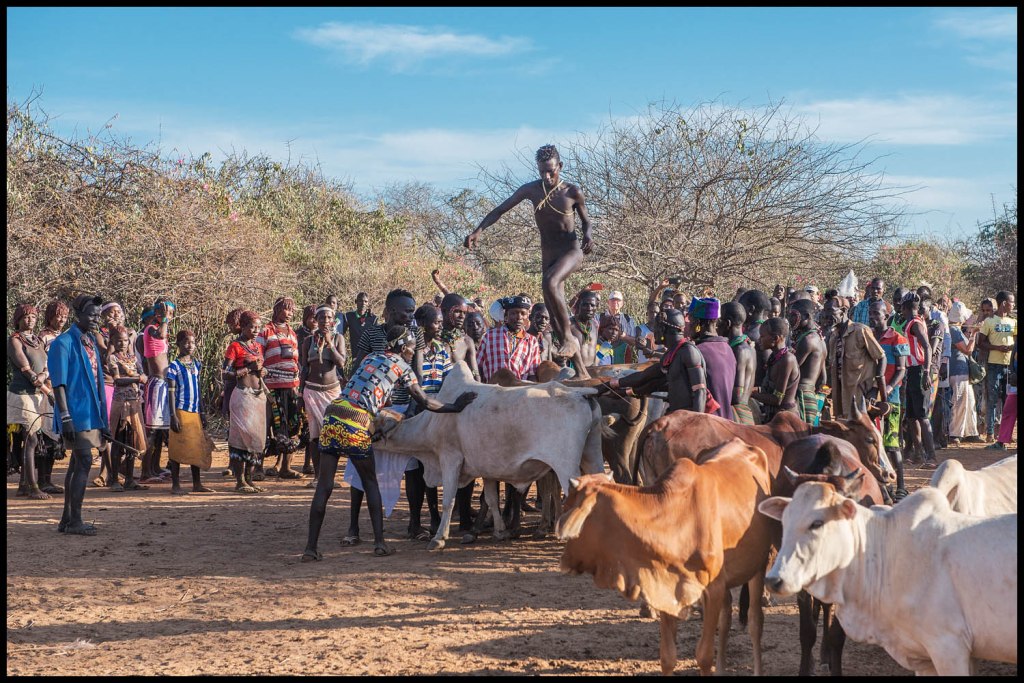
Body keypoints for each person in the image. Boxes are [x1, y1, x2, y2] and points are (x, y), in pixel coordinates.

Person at [305, 325, 477, 561]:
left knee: (324, 485)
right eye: (410, 348)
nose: (411, 352)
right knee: (370, 482)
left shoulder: (370, 356)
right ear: (402, 346)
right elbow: (424, 400)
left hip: (333, 413)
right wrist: (455, 406)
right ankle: (379, 543)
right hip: (357, 420)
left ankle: (310, 548)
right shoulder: (402, 367)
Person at [464, 144, 595, 375]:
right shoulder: (531, 190)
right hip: (549, 254)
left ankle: (568, 338)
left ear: (560, 167)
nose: (546, 176)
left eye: (551, 171)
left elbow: (586, 220)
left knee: (550, 282)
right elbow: (500, 210)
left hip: (571, 251)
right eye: (542, 171)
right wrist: (478, 230)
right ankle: (582, 371)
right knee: (553, 311)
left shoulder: (572, 191)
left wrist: (588, 235)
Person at [48, 294, 111, 535]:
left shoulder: (90, 342)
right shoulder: (63, 343)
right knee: (84, 461)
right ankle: (75, 521)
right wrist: (65, 417)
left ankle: (66, 519)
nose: (96, 319)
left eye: (98, 314)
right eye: (92, 314)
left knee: (76, 463)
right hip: (74, 414)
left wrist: (103, 420)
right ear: (79, 315)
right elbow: (59, 384)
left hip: (91, 414)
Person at [600, 309, 707, 415]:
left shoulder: (689, 352)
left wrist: (695, 423)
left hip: (691, 419)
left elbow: (700, 392)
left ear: (663, 329)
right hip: (677, 415)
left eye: (656, 327)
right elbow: (646, 378)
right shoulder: (671, 355)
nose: (653, 331)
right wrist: (616, 387)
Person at [256, 296, 304, 480]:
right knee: (266, 426)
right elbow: (258, 355)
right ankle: (258, 467)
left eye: (292, 310)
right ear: (277, 310)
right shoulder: (266, 331)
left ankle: (286, 467)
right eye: (287, 309)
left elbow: (296, 361)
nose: (290, 313)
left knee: (292, 426)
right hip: (271, 389)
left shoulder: (292, 333)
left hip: (291, 386)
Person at [7, 304, 51, 499]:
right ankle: (32, 487)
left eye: (33, 316)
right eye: (26, 316)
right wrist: (41, 383)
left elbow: (48, 366)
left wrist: (43, 378)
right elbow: (25, 368)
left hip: (37, 393)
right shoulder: (14, 340)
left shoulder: (38, 340)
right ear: (18, 319)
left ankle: (24, 485)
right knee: (31, 438)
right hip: (22, 393)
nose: (30, 319)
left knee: (33, 439)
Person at [299, 305, 346, 490]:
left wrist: (329, 344)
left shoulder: (338, 338)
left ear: (333, 320)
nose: (325, 321)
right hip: (311, 391)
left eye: (328, 318)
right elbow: (304, 368)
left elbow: (341, 362)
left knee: (333, 434)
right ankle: (318, 477)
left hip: (332, 391)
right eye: (321, 318)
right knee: (315, 435)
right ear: (316, 320)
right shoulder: (308, 341)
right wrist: (300, 394)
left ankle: (330, 477)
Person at [868, 299, 909, 500]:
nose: (873, 317)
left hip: (891, 398)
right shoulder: (867, 336)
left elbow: (902, 370)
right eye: (871, 313)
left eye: (877, 314)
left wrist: (887, 389)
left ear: (886, 315)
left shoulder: (897, 338)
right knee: (874, 443)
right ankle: (883, 488)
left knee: (892, 443)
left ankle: (901, 486)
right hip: (871, 397)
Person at [223, 310, 268, 494]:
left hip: (258, 397)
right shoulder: (235, 346)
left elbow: (260, 369)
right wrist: (248, 368)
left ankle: (249, 479)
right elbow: (225, 373)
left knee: (256, 438)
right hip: (242, 395)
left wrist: (262, 371)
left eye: (258, 327)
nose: (256, 330)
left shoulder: (257, 346)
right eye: (252, 327)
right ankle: (240, 480)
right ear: (243, 326)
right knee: (241, 438)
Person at [821, 296, 887, 420]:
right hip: (841, 396)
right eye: (825, 311)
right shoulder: (833, 336)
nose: (826, 315)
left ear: (843, 311)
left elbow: (881, 357)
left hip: (861, 395)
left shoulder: (860, 331)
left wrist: (875, 388)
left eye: (831, 311)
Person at [167, 329, 214, 495]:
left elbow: (198, 389)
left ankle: (197, 483)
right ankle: (175, 484)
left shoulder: (197, 364)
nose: (190, 346)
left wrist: (202, 412)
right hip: (180, 410)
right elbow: (171, 392)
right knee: (177, 448)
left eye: (193, 342)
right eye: (186, 342)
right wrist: (173, 415)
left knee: (196, 447)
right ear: (178, 344)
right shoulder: (174, 366)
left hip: (194, 411)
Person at [104, 325, 149, 491]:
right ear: (113, 342)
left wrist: (137, 378)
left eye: (125, 340)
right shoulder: (112, 358)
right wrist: (138, 379)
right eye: (118, 340)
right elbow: (117, 380)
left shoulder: (133, 358)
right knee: (118, 442)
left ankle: (129, 479)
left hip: (134, 402)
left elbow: (143, 375)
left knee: (132, 442)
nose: (122, 343)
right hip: (121, 403)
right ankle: (114, 479)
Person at [900, 293, 938, 469]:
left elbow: (928, 346)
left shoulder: (915, 323)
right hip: (911, 371)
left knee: (922, 416)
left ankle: (931, 456)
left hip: (919, 371)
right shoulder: (911, 323)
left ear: (905, 307)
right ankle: (918, 453)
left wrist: (926, 371)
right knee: (911, 416)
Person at [36, 300, 70, 493]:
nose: (61, 320)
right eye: (58, 316)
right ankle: (43, 481)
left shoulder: (63, 336)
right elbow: (43, 366)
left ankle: (47, 480)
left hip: (60, 390)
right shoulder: (43, 337)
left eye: (64, 316)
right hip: (47, 391)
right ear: (50, 316)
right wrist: (48, 390)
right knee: (46, 438)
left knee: (55, 436)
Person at [140, 299, 175, 483]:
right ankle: (145, 472)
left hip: (162, 384)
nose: (168, 316)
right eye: (164, 312)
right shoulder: (150, 330)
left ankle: (152, 469)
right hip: (156, 384)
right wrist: (165, 319)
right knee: (151, 431)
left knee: (159, 431)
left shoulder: (157, 328)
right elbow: (161, 335)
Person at [687, 297, 735, 420]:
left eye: (690, 319)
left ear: (698, 323)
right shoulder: (728, 349)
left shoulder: (698, 352)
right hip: (727, 422)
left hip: (707, 425)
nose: (688, 324)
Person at [978, 291, 1016, 444]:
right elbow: (980, 342)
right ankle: (990, 433)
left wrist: (1011, 348)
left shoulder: (1013, 322)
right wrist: (996, 347)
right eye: (1012, 302)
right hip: (994, 365)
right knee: (993, 399)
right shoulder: (989, 322)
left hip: (1010, 367)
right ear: (1004, 303)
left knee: (1009, 401)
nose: (1013, 305)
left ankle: (1006, 435)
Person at [477, 295, 542, 382]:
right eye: (514, 313)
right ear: (506, 316)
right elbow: (478, 366)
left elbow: (533, 373)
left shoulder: (532, 341)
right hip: (493, 391)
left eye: (523, 313)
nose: (519, 317)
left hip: (519, 392)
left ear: (527, 317)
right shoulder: (489, 336)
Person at [751, 317, 801, 421]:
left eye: (762, 336)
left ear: (775, 338)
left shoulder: (787, 360)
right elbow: (769, 388)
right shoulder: (774, 357)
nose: (759, 340)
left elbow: (777, 399)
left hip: (786, 418)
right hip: (775, 415)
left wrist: (750, 393)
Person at [787, 299, 827, 426]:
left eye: (794, 315)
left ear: (806, 316)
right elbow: (823, 379)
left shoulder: (808, 340)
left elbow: (792, 368)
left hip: (802, 395)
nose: (791, 319)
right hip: (811, 395)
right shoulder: (820, 339)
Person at [946, 301, 980, 445]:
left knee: (969, 401)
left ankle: (970, 432)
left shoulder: (956, 329)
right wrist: (973, 334)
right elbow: (967, 350)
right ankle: (955, 433)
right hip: (957, 370)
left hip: (961, 369)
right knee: (960, 401)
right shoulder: (954, 330)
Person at [718, 301, 757, 425]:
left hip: (737, 417)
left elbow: (737, 396)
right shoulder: (748, 346)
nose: (717, 327)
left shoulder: (740, 350)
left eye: (719, 323)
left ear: (728, 324)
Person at [991, 340, 1016, 451]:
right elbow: (1011, 360)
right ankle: (1002, 441)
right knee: (1008, 410)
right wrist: (1012, 373)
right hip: (1016, 382)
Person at [568, 290, 601, 370]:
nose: (589, 308)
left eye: (592, 305)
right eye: (585, 305)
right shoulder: (570, 324)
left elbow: (594, 351)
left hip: (592, 372)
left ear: (596, 307)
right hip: (574, 373)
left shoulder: (594, 325)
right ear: (579, 305)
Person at [343, 292, 377, 361]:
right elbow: (341, 333)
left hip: (369, 356)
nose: (363, 303)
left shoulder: (373, 318)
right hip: (356, 355)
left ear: (368, 303)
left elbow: (376, 338)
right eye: (360, 300)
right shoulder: (349, 316)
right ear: (356, 301)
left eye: (365, 301)